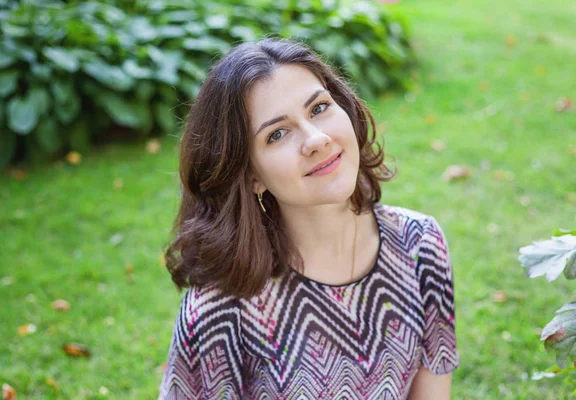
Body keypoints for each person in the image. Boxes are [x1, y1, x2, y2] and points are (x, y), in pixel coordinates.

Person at [159, 37, 460, 400]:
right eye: (277, 134)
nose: (316, 139)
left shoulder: (420, 244)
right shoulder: (218, 312)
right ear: (251, 175)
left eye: (318, 108)